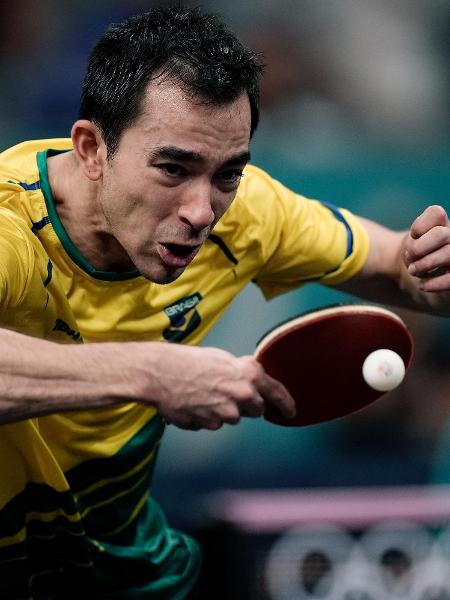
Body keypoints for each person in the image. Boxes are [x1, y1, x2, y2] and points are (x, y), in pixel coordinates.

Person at [0, 6, 449, 599]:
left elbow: (400, 264)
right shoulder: (11, 228)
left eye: (228, 174)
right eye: (172, 168)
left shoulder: (246, 215)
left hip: (121, 568)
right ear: (90, 149)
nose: (201, 211)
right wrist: (151, 373)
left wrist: (427, 271)